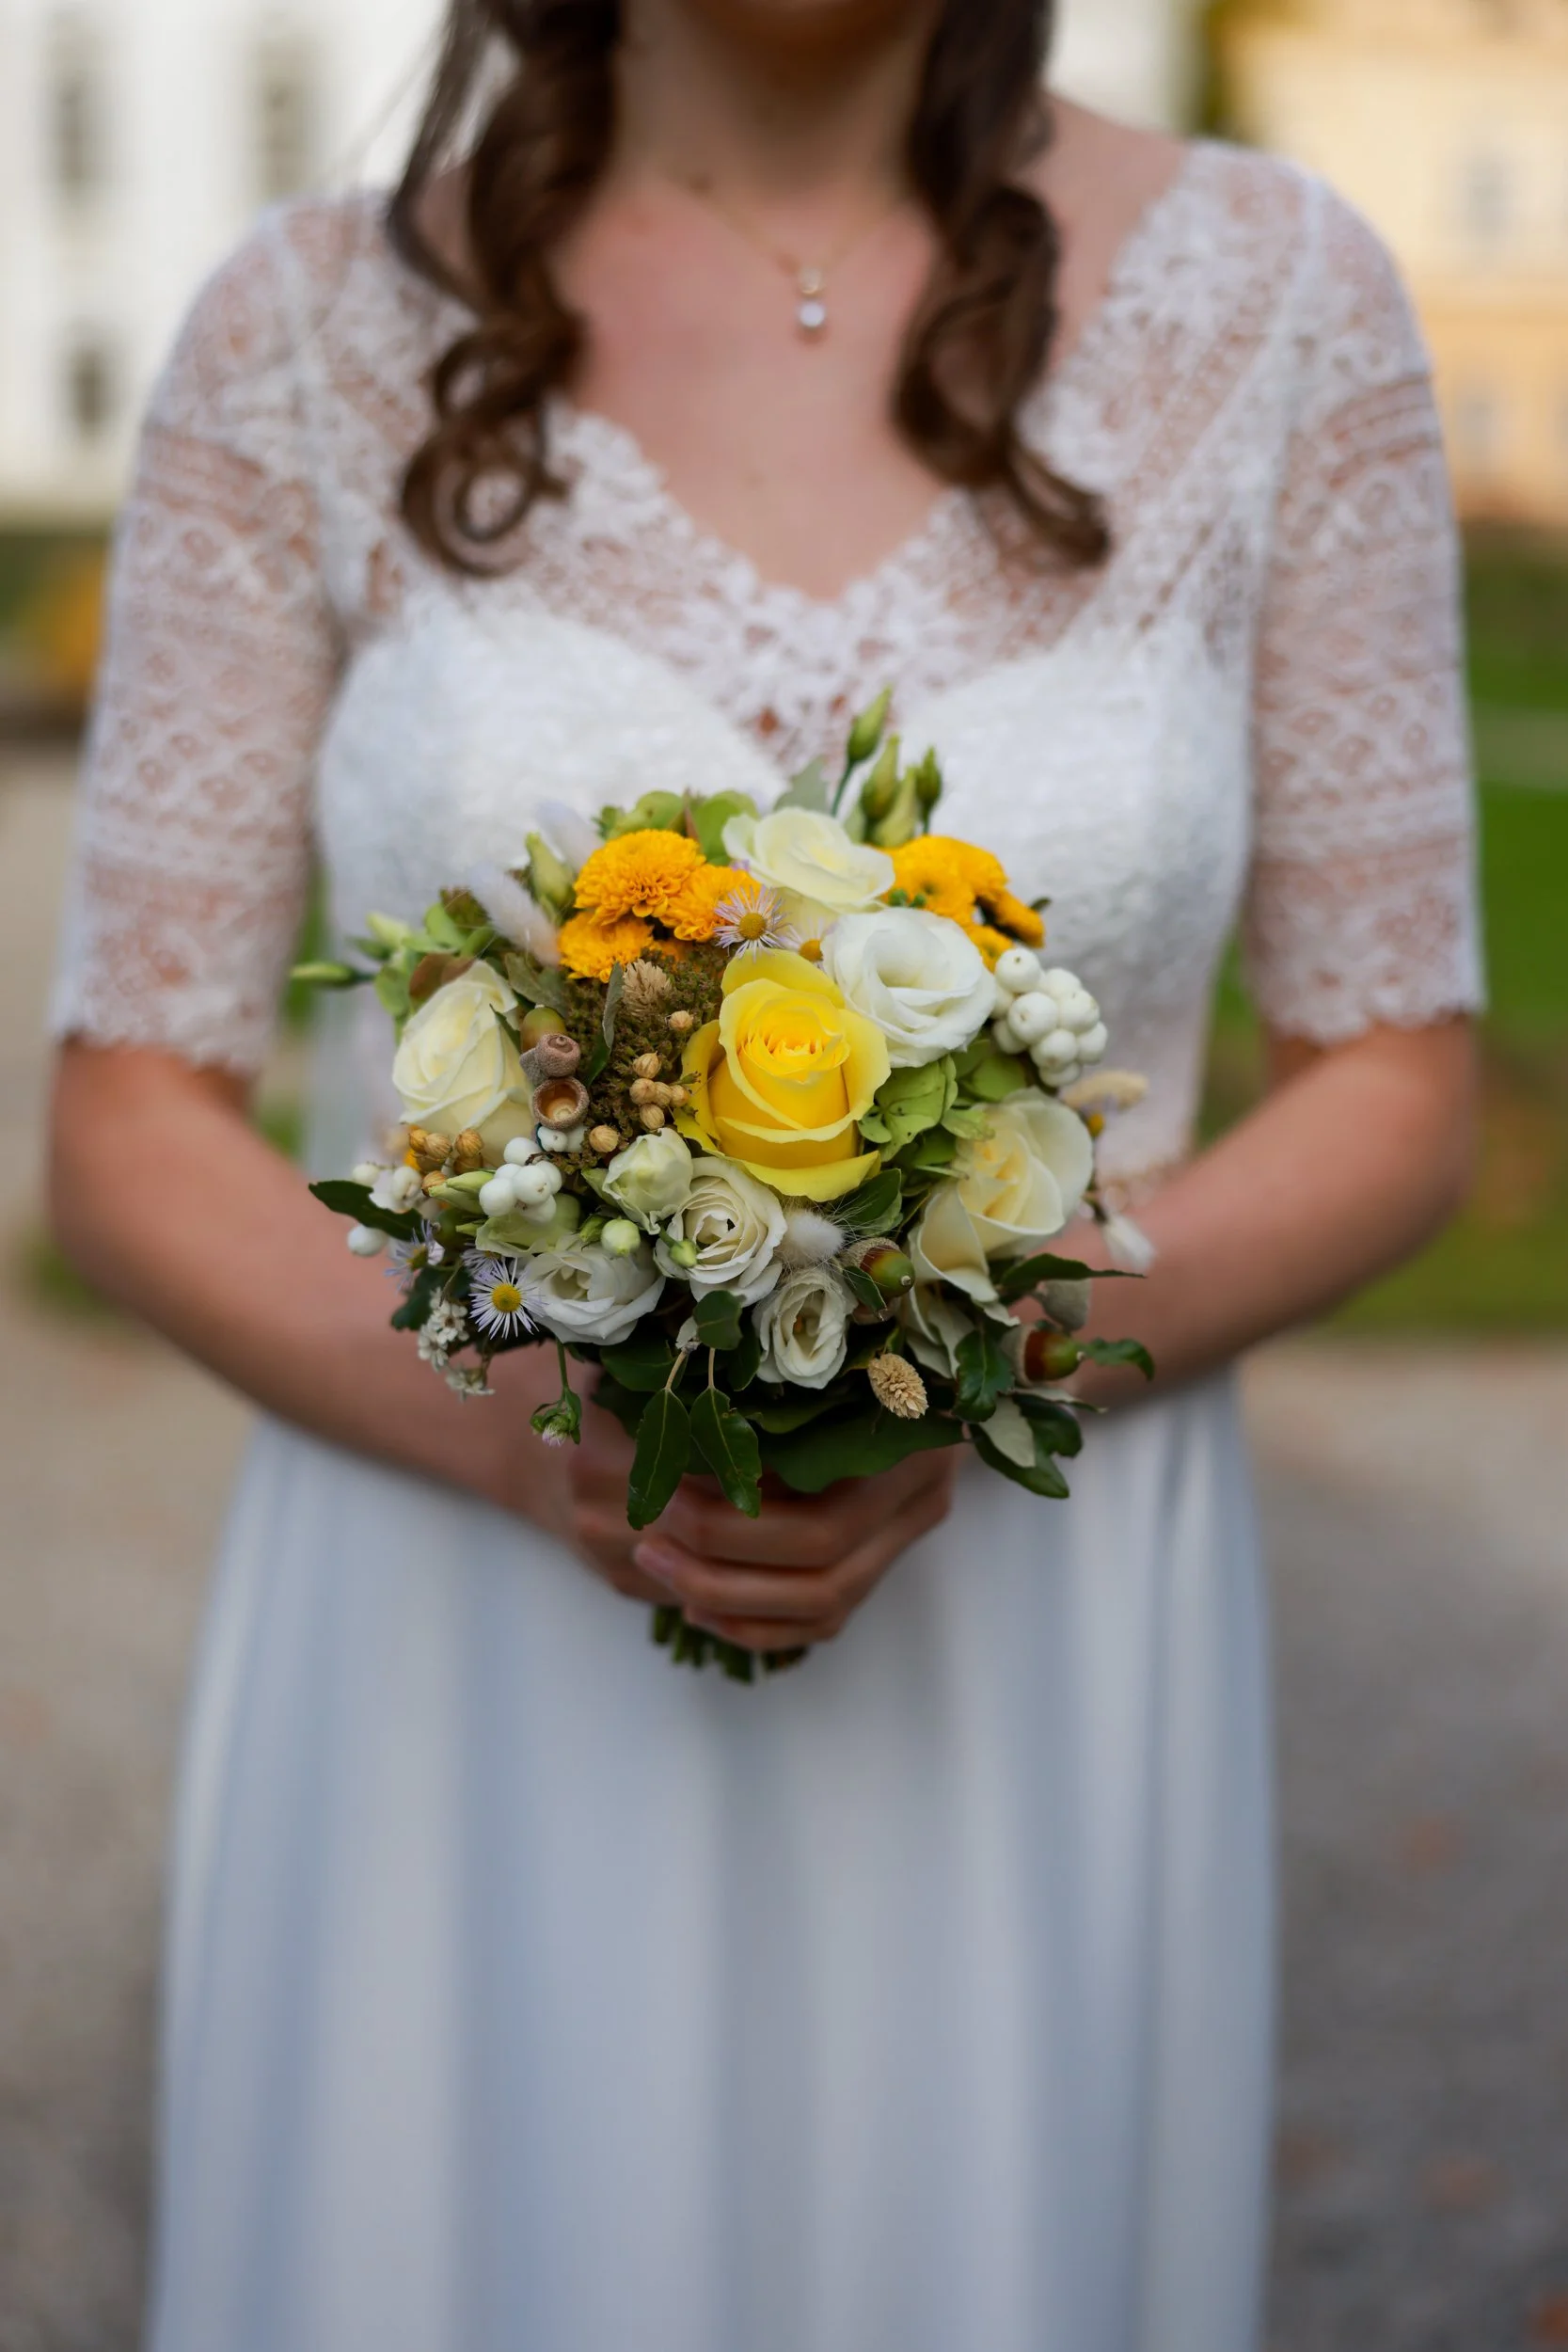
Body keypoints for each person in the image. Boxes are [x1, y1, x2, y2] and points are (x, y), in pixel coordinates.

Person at [48, 3, 1481, 2345]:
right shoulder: (304, 322)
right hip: (459, 1632)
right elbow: (126, 1118)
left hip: (1028, 1607)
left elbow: (1394, 1067)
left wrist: (962, 1360)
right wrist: (556, 1452)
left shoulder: (1282, 298)